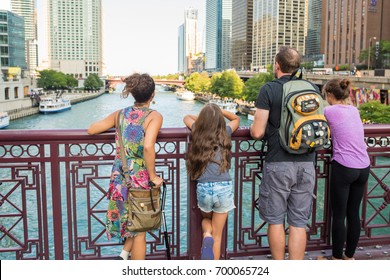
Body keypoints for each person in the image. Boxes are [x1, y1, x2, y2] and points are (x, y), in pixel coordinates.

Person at [250, 46, 317, 260]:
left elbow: (258, 132)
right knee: (298, 222)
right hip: (307, 163)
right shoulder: (312, 88)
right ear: (297, 66)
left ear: (277, 65)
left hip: (278, 163)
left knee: (276, 220)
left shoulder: (268, 89)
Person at [87, 73, 163, 260]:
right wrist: (153, 177)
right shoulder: (154, 116)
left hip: (120, 175)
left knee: (130, 220)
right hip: (140, 177)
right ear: (152, 95)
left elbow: (91, 129)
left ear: (133, 94)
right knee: (140, 228)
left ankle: (123, 256)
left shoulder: (119, 114)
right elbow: (148, 146)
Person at [318, 79, 370, 260]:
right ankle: (349, 256)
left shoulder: (329, 111)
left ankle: (336, 258)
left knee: (338, 215)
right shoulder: (354, 110)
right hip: (364, 165)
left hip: (344, 165)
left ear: (330, 95)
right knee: (353, 213)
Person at [184, 103, 240, 260]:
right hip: (224, 188)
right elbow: (236, 118)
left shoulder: (197, 130)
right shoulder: (226, 133)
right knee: (218, 235)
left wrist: (203, 117)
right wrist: (220, 112)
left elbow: (186, 117)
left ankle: (206, 234)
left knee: (206, 220)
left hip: (204, 188)